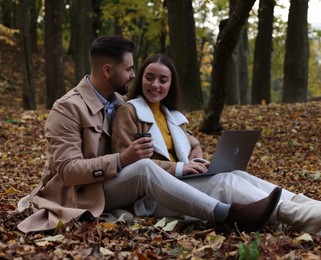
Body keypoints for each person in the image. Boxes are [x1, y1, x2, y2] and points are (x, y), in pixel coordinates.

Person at [17, 35, 282, 233]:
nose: (134, 75)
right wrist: (122, 159)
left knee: (223, 177)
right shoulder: (67, 108)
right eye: (129, 69)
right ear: (108, 70)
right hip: (80, 193)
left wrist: (194, 150)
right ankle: (227, 215)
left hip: (113, 183)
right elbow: (68, 171)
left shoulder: (120, 104)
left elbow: (175, 131)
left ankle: (288, 205)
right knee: (144, 168)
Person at [111, 53, 321, 233]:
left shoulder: (171, 116)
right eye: (150, 77)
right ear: (140, 78)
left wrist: (195, 158)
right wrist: (180, 168)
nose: (155, 85)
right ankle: (298, 215)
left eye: (163, 80)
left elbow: (192, 143)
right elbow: (129, 162)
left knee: (237, 172)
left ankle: (311, 206)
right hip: (158, 196)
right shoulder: (129, 112)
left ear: (171, 84)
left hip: (183, 182)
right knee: (225, 181)